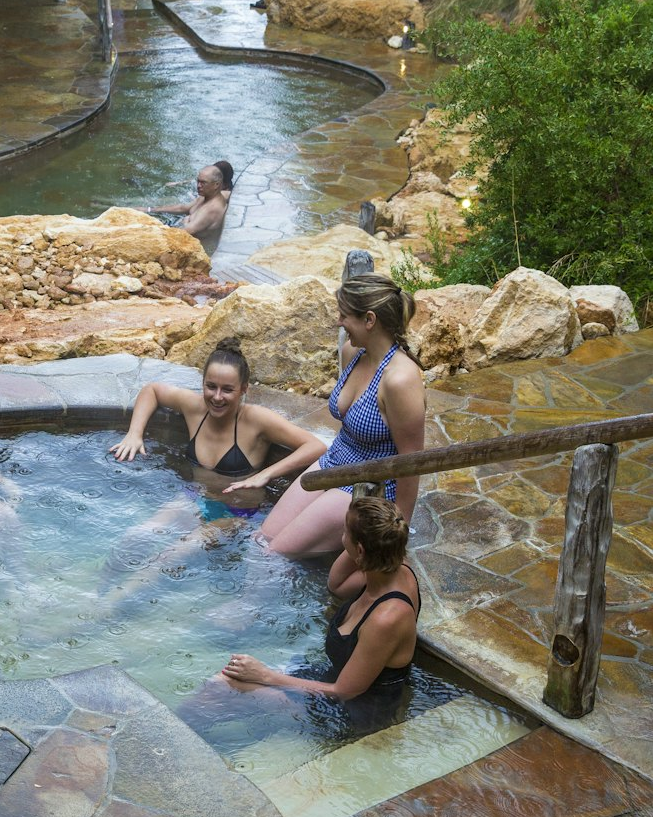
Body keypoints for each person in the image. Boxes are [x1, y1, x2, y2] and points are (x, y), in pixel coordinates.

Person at [258, 273, 425, 590]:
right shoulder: (353, 352)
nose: (339, 322)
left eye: (344, 315)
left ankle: (244, 615)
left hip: (370, 483)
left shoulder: (400, 380)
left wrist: (397, 533)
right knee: (262, 538)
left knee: (274, 556)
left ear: (370, 319)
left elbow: (412, 462)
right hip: (335, 462)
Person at [222, 494, 420, 701]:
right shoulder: (393, 565)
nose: (342, 538)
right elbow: (336, 584)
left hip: (354, 709)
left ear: (359, 549)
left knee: (223, 684)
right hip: (330, 678)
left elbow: (345, 692)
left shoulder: (387, 618)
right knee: (226, 679)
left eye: (344, 533)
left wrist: (264, 675)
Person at [110, 337, 325, 517]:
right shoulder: (195, 407)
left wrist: (266, 474)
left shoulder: (256, 419)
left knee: (174, 554)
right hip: (195, 494)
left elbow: (316, 446)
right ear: (202, 382)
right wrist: (134, 434)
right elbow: (152, 390)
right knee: (139, 536)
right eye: (211, 387)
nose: (217, 397)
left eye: (227, 389)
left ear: (243, 389)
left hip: (237, 507)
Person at [141, 164, 229, 243]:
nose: (198, 186)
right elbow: (182, 208)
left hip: (192, 247)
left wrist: (186, 220)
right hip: (179, 230)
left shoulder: (211, 210)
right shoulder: (206, 196)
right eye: (198, 181)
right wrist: (150, 209)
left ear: (216, 185)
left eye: (203, 183)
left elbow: (183, 233)